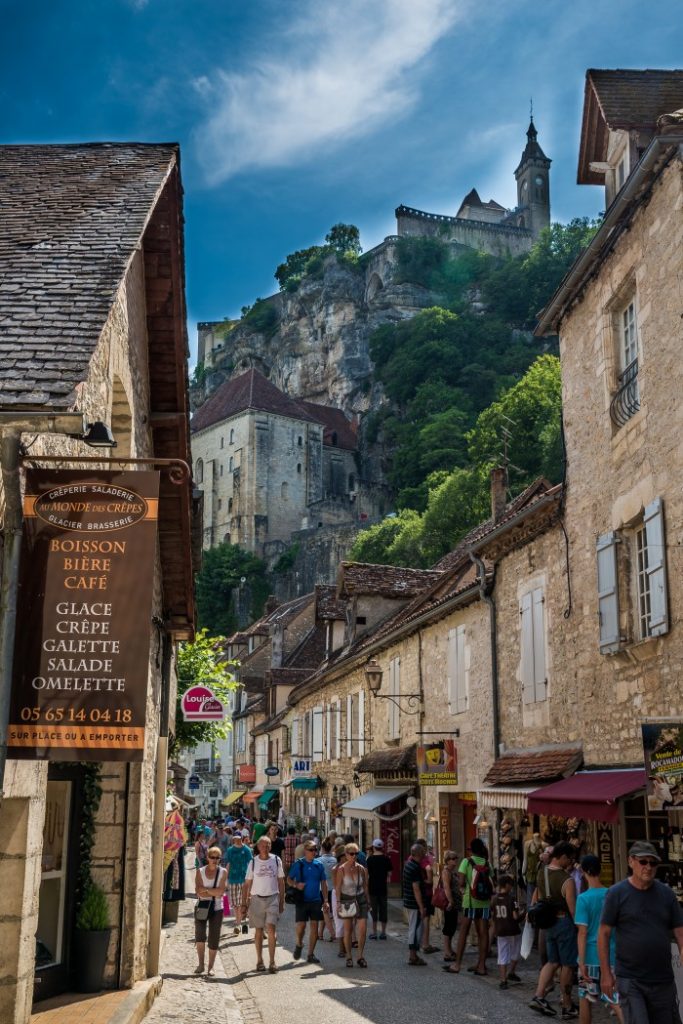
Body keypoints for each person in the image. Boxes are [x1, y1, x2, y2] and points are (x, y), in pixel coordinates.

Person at [599, 840, 683, 1024]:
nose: (648, 867)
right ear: (631, 862)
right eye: (643, 862)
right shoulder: (617, 893)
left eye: (653, 863)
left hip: (662, 978)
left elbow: (679, 929)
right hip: (631, 978)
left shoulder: (666, 894)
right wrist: (605, 973)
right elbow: (604, 933)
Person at [529, 840, 579, 1019]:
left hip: (548, 924)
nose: (572, 863)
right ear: (563, 857)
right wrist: (580, 929)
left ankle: (539, 995)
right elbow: (573, 910)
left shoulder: (542, 873)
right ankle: (567, 1004)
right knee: (567, 965)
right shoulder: (567, 880)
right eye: (570, 859)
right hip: (564, 922)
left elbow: (540, 898)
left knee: (552, 961)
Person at [575, 854, 624, 1024]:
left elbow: (582, 932)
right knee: (615, 999)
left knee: (585, 999)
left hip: (589, 956)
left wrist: (581, 960)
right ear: (600, 870)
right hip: (611, 955)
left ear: (583, 871)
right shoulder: (612, 894)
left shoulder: (583, 899)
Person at [445, 837, 493, 976]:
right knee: (483, 933)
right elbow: (491, 882)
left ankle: (457, 964)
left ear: (472, 850)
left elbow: (460, 883)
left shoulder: (466, 861)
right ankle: (481, 966)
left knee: (464, 933)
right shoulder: (487, 863)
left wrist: (464, 886)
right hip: (484, 902)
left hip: (470, 902)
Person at [242, 835, 285, 974]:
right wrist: (244, 903)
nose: (265, 848)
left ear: (270, 847)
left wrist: (282, 901)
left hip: (272, 898)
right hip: (256, 899)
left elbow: (281, 881)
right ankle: (260, 960)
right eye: (262, 845)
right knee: (259, 931)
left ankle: (272, 962)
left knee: (271, 929)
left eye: (267, 845)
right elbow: (247, 884)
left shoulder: (276, 860)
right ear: (258, 847)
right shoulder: (253, 862)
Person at [288, 839, 329, 964]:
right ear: (305, 851)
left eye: (315, 849)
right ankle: (299, 943)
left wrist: (326, 900)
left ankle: (311, 954)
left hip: (316, 900)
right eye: (311, 850)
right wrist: (296, 884)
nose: (314, 852)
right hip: (302, 900)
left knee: (314, 928)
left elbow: (323, 883)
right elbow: (289, 879)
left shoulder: (319, 865)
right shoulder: (299, 864)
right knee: (301, 926)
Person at [335, 842, 370, 967]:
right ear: (346, 854)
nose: (354, 856)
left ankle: (360, 956)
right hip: (347, 900)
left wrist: (368, 900)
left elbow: (365, 886)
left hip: (360, 899)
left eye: (356, 854)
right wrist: (338, 902)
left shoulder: (361, 868)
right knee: (348, 930)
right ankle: (349, 956)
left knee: (362, 929)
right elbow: (338, 887)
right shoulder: (341, 869)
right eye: (351, 854)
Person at [194, 846, 228, 976]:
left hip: (218, 908)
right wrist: (212, 892)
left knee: (214, 937)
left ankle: (211, 967)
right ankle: (201, 964)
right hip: (202, 905)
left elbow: (221, 891)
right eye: (212, 857)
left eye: (217, 857)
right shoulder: (200, 871)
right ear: (207, 857)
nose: (214, 860)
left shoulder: (223, 872)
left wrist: (206, 890)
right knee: (200, 935)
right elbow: (198, 890)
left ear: (219, 859)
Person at [491, 873, 523, 989]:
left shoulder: (494, 899)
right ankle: (512, 972)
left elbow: (492, 915)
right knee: (515, 951)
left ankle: (503, 979)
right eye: (511, 885)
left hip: (500, 930)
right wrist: (523, 914)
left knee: (502, 953)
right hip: (512, 929)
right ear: (507, 885)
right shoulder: (511, 899)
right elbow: (515, 917)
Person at [402, 842, 428, 966]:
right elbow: (416, 888)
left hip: (409, 901)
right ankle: (413, 955)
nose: (425, 854)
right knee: (415, 928)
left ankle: (413, 955)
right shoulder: (415, 867)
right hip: (414, 903)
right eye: (423, 852)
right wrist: (421, 906)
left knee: (414, 927)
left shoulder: (408, 864)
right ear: (419, 854)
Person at [225, 831, 253, 936]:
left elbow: (251, 864)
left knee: (243, 902)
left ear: (241, 838)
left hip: (244, 879)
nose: (236, 840)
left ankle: (239, 923)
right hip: (232, 879)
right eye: (235, 838)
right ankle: (238, 923)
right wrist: (225, 879)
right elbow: (228, 863)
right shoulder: (230, 850)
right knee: (234, 904)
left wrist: (251, 879)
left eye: (238, 838)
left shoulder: (246, 850)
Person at [367, 838, 392, 940]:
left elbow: (366, 874)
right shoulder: (386, 859)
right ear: (382, 847)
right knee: (383, 909)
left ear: (373, 847)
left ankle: (374, 932)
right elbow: (390, 874)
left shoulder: (370, 859)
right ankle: (383, 932)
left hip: (372, 888)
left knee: (373, 910)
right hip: (383, 888)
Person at [439, 850, 462, 962]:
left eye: (456, 858)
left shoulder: (453, 872)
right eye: (453, 858)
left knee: (452, 926)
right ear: (447, 860)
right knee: (448, 927)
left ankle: (450, 949)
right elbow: (447, 888)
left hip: (455, 903)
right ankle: (447, 952)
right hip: (450, 904)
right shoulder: (446, 872)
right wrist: (451, 902)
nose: (455, 860)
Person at [418, 840, 439, 954]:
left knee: (421, 918)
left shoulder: (414, 859)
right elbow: (429, 869)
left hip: (420, 892)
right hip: (426, 893)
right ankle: (425, 944)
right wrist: (429, 880)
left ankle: (421, 942)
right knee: (426, 918)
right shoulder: (424, 859)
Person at [317, 838, 338, 941]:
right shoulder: (335, 860)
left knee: (325, 912)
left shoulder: (318, 861)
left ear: (322, 848)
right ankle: (320, 933)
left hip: (322, 889)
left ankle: (333, 933)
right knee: (327, 912)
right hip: (333, 888)